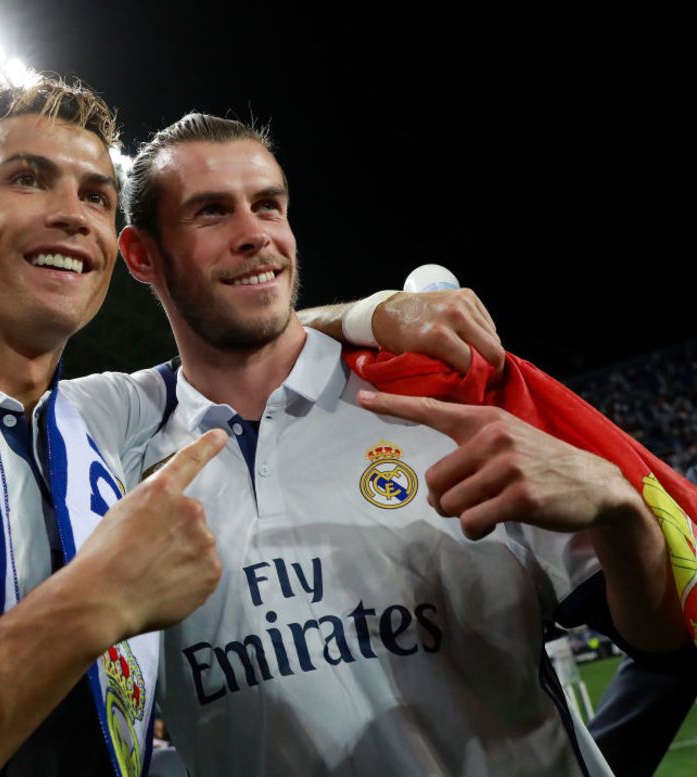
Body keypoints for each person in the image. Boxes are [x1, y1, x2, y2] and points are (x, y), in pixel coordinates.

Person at [0, 76, 503, 777]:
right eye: (28, 179)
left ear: (119, 243)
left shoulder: (99, 422)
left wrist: (373, 313)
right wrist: (89, 606)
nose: (73, 214)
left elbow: (245, 335)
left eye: (96, 196)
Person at [115, 113, 690, 776]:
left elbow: (663, 643)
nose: (256, 234)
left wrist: (621, 513)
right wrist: (366, 311)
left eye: (269, 205)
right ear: (141, 254)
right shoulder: (119, 450)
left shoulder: (438, 398)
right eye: (211, 212)